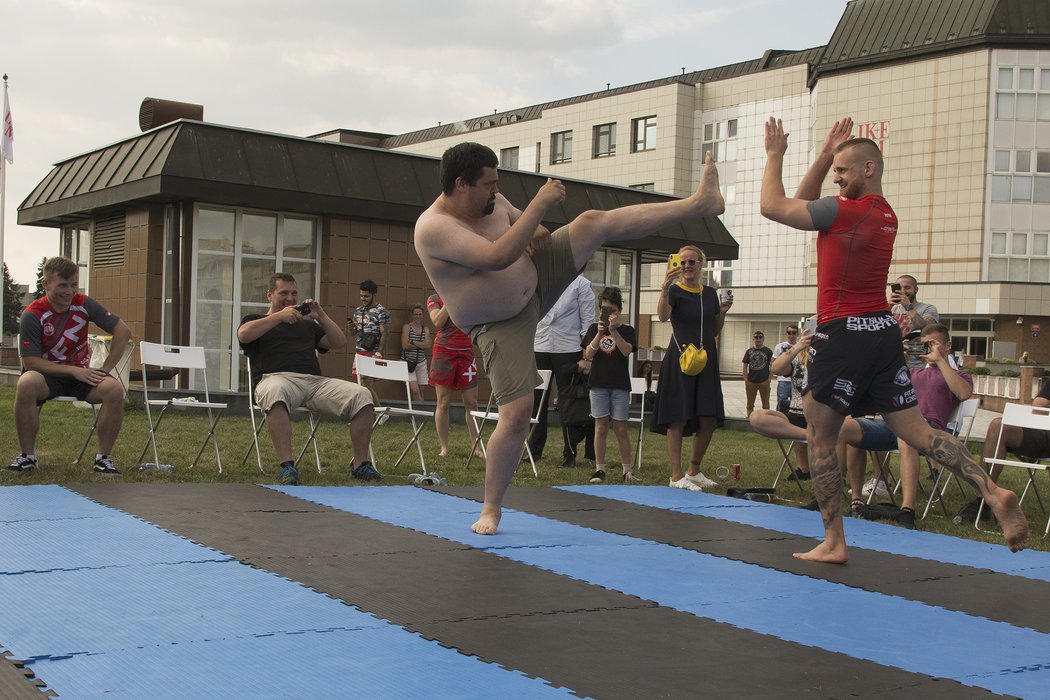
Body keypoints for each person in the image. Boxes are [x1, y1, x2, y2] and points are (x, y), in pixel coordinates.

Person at [414, 142, 724, 534]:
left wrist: (533, 230)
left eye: (497, 183)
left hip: (538, 282)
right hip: (499, 322)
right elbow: (496, 256)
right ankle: (491, 509)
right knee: (517, 412)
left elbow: (535, 234)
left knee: (593, 221)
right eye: (489, 184)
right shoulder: (434, 227)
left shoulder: (492, 201)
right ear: (462, 184)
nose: (496, 190)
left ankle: (699, 203)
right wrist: (539, 204)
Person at [760, 115, 1027, 562]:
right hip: (881, 333)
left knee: (821, 438)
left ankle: (834, 542)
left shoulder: (843, 210)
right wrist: (827, 154)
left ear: (869, 168)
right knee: (919, 432)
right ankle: (993, 490)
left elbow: (774, 206)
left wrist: (774, 155)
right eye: (835, 171)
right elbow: (802, 203)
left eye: (844, 170)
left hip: (842, 332)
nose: (838, 178)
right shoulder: (884, 215)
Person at [238, 272, 380, 486]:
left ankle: (360, 465)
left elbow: (339, 342)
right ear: (269, 295)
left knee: (362, 395)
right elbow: (243, 335)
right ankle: (287, 466)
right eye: (283, 293)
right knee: (275, 390)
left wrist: (320, 315)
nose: (290, 298)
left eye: (294, 293)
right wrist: (279, 316)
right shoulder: (257, 320)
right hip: (275, 378)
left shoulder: (307, 326)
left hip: (314, 383)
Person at [8, 256, 132, 475]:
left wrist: (104, 370)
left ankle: (103, 459)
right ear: (45, 284)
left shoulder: (84, 304)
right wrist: (74, 370)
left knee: (114, 389)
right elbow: (31, 362)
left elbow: (123, 332)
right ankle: (28, 456)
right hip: (48, 376)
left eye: (73, 285)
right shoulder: (32, 314)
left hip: (82, 376)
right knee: (25, 383)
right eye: (62, 285)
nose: (69, 291)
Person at [651, 244, 733, 491]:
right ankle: (676, 477)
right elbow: (663, 316)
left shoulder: (710, 293)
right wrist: (665, 287)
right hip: (680, 359)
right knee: (677, 417)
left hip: (705, 359)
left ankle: (693, 470)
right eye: (683, 262)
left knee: (708, 418)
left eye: (692, 262)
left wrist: (723, 312)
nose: (686, 266)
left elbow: (713, 330)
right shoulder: (674, 290)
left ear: (702, 265)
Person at [529, 274, 596, 467]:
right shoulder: (539, 280)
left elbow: (588, 324)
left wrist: (586, 357)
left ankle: (570, 452)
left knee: (569, 403)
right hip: (539, 345)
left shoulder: (581, 284)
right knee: (537, 400)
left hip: (568, 348)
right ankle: (534, 448)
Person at [580, 287, 638, 484]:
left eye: (611, 310)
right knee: (600, 427)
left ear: (619, 311)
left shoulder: (627, 330)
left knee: (621, 427)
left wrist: (613, 332)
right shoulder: (592, 329)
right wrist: (599, 333)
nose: (607, 314)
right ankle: (599, 469)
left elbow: (626, 351)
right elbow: (588, 354)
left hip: (620, 384)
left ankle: (627, 470)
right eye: (604, 309)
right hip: (598, 384)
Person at [748, 328, 812, 480]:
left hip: (823, 416)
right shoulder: (798, 357)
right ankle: (804, 468)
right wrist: (798, 346)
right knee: (757, 417)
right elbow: (776, 368)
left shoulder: (832, 356)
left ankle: (837, 473)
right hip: (797, 413)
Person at [427, 293, 483, 458]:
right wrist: (451, 299)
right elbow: (438, 321)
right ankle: (444, 447)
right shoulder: (435, 298)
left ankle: (477, 447)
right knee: (443, 402)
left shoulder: (470, 296)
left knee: (472, 403)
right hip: (444, 352)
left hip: (466, 352)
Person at [350, 279, 390, 405]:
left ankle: (375, 413)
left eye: (366, 296)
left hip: (373, 351)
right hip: (360, 350)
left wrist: (379, 352)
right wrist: (352, 327)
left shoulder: (381, 311)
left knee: (367, 384)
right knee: (362, 385)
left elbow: (385, 333)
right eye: (361, 295)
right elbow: (353, 333)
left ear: (374, 294)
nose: (363, 298)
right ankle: (377, 413)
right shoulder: (358, 310)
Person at [890, 274, 939, 369]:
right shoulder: (891, 309)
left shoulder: (928, 308)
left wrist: (908, 306)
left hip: (917, 367)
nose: (903, 291)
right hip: (892, 365)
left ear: (916, 289)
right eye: (899, 288)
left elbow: (926, 329)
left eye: (907, 287)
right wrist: (886, 307)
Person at [401, 304, 432, 402]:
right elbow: (405, 346)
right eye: (416, 314)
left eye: (420, 314)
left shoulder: (425, 329)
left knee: (422, 390)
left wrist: (413, 342)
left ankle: (419, 413)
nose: (418, 316)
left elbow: (428, 345)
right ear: (412, 315)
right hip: (408, 363)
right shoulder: (407, 327)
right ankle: (420, 414)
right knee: (414, 390)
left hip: (421, 362)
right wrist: (421, 344)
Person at [742, 330, 774, 417]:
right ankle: (749, 419)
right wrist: (745, 378)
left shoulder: (768, 351)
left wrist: (769, 379)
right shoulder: (749, 351)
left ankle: (765, 421)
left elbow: (773, 366)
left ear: (763, 339)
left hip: (764, 381)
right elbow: (745, 365)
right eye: (756, 337)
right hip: (751, 381)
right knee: (750, 404)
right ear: (753, 339)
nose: (758, 339)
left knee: (766, 404)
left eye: (760, 337)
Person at [771, 325, 799, 411]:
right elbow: (773, 363)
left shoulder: (800, 346)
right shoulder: (780, 346)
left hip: (797, 380)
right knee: (781, 404)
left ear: (797, 334)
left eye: (794, 333)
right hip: (783, 380)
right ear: (786, 334)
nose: (791, 335)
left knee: (796, 405)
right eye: (789, 333)